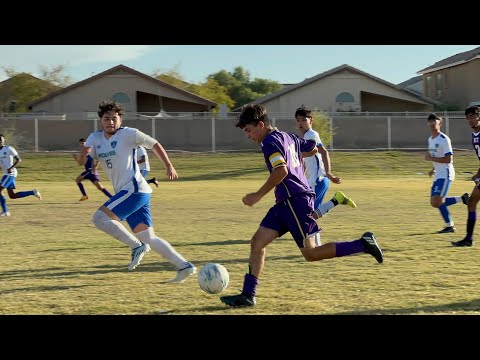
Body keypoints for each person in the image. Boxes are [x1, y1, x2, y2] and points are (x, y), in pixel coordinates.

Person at [219, 104, 384, 308]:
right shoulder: (288, 137)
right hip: (284, 203)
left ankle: (363, 244)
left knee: (311, 254)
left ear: (260, 125)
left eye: (248, 130)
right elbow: (312, 147)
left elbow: (281, 172)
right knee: (257, 243)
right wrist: (296, 159)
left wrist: (256, 196)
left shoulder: (269, 142)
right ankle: (247, 295)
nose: (248, 135)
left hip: (296, 201)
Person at [77, 100, 196, 282]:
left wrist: (169, 165)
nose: (110, 122)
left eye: (114, 118)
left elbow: (154, 144)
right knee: (148, 236)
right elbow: (84, 161)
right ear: (100, 120)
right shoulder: (95, 138)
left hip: (134, 189)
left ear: (120, 120)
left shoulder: (129, 134)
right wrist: (83, 155)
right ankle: (184, 266)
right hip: (132, 192)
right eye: (106, 118)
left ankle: (135, 246)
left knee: (99, 218)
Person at [295, 105, 356, 246]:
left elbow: (323, 152)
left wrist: (328, 173)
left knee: (309, 215)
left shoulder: (311, 134)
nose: (300, 123)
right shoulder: (304, 137)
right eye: (298, 120)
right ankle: (316, 244)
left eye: (304, 120)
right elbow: (307, 158)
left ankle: (336, 200)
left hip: (319, 180)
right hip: (312, 181)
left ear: (311, 121)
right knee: (310, 214)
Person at [424, 113, 469, 234]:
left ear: (440, 123)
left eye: (435, 121)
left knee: (437, 201)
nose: (432, 123)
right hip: (438, 174)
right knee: (435, 202)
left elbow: (449, 159)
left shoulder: (444, 139)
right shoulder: (430, 139)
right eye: (430, 121)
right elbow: (436, 156)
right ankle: (462, 199)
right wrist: (433, 169)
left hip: (446, 174)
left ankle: (450, 226)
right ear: (428, 124)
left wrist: (432, 160)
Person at [452, 106, 480, 247]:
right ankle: (468, 239)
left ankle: (469, 239)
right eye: (468, 117)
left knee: (472, 203)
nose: (470, 120)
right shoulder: (474, 135)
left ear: (478, 116)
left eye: (473, 116)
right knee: (472, 203)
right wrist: (477, 174)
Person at [0, 134, 42, 217]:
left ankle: (5, 211)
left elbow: (19, 159)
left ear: (3, 141)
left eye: (1, 140)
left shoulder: (8, 149)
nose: (0, 141)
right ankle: (33, 192)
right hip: (5, 174)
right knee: (12, 195)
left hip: (10, 174)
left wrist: (11, 168)